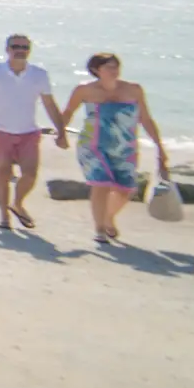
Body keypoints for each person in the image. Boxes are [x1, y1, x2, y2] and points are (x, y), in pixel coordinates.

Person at [65, 53, 168, 244]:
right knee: (101, 184)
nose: (114, 71)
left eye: (116, 67)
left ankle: (108, 217)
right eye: (109, 67)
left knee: (126, 189)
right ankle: (100, 229)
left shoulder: (133, 90)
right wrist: (61, 134)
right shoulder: (84, 90)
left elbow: (145, 118)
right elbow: (69, 111)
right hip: (93, 145)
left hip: (125, 147)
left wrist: (159, 146)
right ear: (97, 70)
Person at [0, 34, 67, 231]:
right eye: (16, 46)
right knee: (3, 173)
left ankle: (17, 203)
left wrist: (61, 130)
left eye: (25, 47)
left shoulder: (39, 74)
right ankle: (4, 216)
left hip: (28, 131)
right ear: (7, 49)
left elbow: (49, 103)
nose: (20, 50)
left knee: (30, 175)